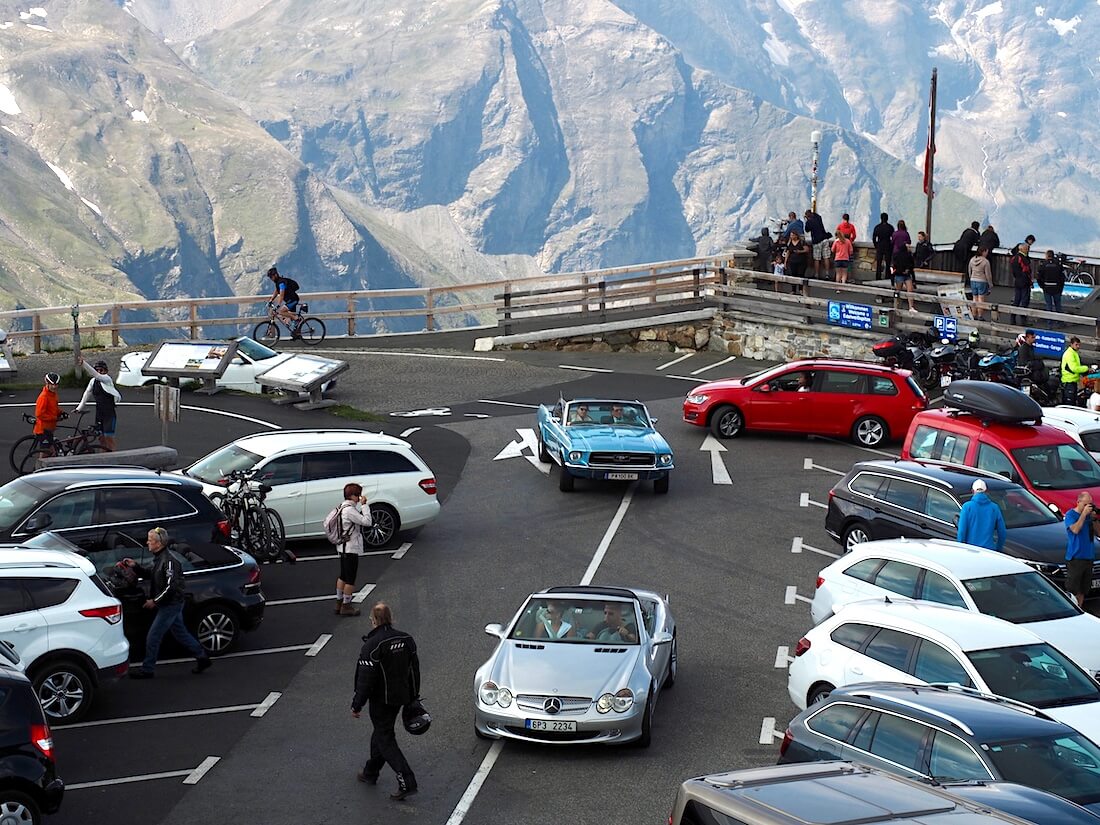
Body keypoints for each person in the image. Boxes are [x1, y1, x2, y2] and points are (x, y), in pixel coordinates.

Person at [352, 602, 420, 800]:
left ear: (373, 621)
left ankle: (407, 781)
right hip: (400, 698)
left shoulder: (372, 645)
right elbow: (414, 671)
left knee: (385, 738)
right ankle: (370, 772)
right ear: (391, 618)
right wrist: (413, 698)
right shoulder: (406, 639)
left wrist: (357, 704)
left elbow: (364, 680)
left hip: (381, 701)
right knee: (382, 732)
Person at [123, 528, 211, 679]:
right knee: (181, 634)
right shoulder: (159, 559)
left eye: (150, 540)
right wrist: (135, 566)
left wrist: (155, 601)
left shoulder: (169, 562)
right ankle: (202, 657)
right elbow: (152, 575)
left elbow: (171, 587)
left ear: (158, 543)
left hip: (170, 605)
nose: (147, 543)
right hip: (169, 604)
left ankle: (147, 669)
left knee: (153, 637)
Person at [330, 483, 375, 617]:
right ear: (353, 496)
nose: (360, 497)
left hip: (342, 547)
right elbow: (367, 522)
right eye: (358, 494)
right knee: (350, 579)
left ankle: (338, 603)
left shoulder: (341, 507)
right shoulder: (350, 510)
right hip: (350, 548)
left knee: (343, 576)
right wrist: (365, 505)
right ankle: (346, 606)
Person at [74, 357, 121, 451]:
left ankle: (114, 457)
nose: (99, 372)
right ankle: (103, 457)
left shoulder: (107, 379)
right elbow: (86, 394)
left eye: (101, 370)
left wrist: (84, 364)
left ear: (106, 371)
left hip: (109, 414)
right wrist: (79, 408)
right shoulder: (93, 382)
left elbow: (96, 375)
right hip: (99, 413)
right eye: (97, 370)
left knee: (109, 438)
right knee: (101, 438)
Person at [1065, 492, 1096, 608]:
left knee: (1083, 590)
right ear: (1078, 502)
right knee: (1073, 589)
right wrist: (1083, 515)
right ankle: (1071, 609)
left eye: (1090, 504)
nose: (1088, 507)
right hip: (1076, 557)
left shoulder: (1089, 518)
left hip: (1089, 557)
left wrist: (1094, 519)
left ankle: (1080, 607)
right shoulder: (1070, 515)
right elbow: (1075, 530)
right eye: (1086, 504)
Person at [956, 479, 1006, 552]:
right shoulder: (994, 507)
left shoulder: (967, 507)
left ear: (972, 491)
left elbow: (962, 531)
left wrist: (961, 548)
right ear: (986, 491)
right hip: (989, 550)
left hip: (970, 549)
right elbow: (1002, 532)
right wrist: (998, 548)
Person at [33, 373, 64, 455]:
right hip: (43, 429)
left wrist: (61, 413)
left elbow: (53, 408)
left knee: (52, 451)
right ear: (47, 384)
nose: (54, 387)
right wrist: (54, 418)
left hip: (50, 428)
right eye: (52, 384)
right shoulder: (44, 397)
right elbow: (39, 414)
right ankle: (39, 467)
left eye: (56, 384)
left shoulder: (53, 395)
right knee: (45, 453)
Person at [1060, 337, 1095, 405]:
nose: (1078, 346)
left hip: (1073, 380)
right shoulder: (1069, 354)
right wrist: (1086, 368)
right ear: (1071, 344)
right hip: (1068, 381)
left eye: (1079, 345)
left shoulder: (1073, 352)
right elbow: (1074, 368)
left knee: (1073, 400)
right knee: (1069, 403)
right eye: (1076, 345)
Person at [1036, 249, 1065, 322]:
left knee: (1049, 306)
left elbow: (1039, 277)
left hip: (1047, 287)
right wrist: (1061, 287)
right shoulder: (1058, 264)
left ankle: (1049, 323)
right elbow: (1062, 278)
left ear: (1046, 256)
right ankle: (1060, 322)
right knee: (1058, 305)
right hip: (1056, 287)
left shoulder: (1043, 265)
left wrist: (1042, 286)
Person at [1009, 242, 1033, 325]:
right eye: (1026, 248)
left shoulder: (1014, 258)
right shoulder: (1023, 258)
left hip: (1017, 281)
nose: (1028, 250)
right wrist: (1029, 281)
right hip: (1024, 281)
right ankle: (1023, 320)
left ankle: (1013, 319)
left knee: (1016, 300)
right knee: (1024, 301)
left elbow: (1014, 271)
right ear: (1022, 249)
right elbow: (1026, 271)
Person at [804, 209, 830, 279]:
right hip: (825, 238)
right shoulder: (818, 217)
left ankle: (816, 274)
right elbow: (815, 214)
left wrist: (807, 220)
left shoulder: (809, 222)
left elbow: (807, 230)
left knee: (817, 258)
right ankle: (827, 274)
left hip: (817, 241)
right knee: (826, 257)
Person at [891, 242, 917, 312]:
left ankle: (911, 307)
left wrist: (892, 280)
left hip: (903, 275)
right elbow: (911, 266)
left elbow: (893, 267)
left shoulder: (899, 255)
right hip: (901, 274)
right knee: (899, 291)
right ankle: (897, 306)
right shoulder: (904, 255)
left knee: (909, 291)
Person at [968, 247, 992, 319]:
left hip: (973, 280)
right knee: (981, 299)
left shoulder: (972, 260)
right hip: (982, 281)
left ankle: (974, 315)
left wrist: (971, 278)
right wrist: (990, 284)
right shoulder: (985, 261)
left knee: (974, 298)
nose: (987, 253)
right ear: (983, 252)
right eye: (986, 252)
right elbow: (988, 274)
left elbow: (969, 270)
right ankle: (980, 316)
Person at [872, 213, 894, 279]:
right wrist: (891, 245)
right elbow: (893, 238)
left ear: (881, 218)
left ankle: (878, 277)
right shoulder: (890, 227)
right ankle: (887, 276)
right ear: (887, 219)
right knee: (888, 263)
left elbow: (874, 238)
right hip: (888, 246)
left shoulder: (877, 227)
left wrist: (876, 245)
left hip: (880, 246)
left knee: (879, 262)